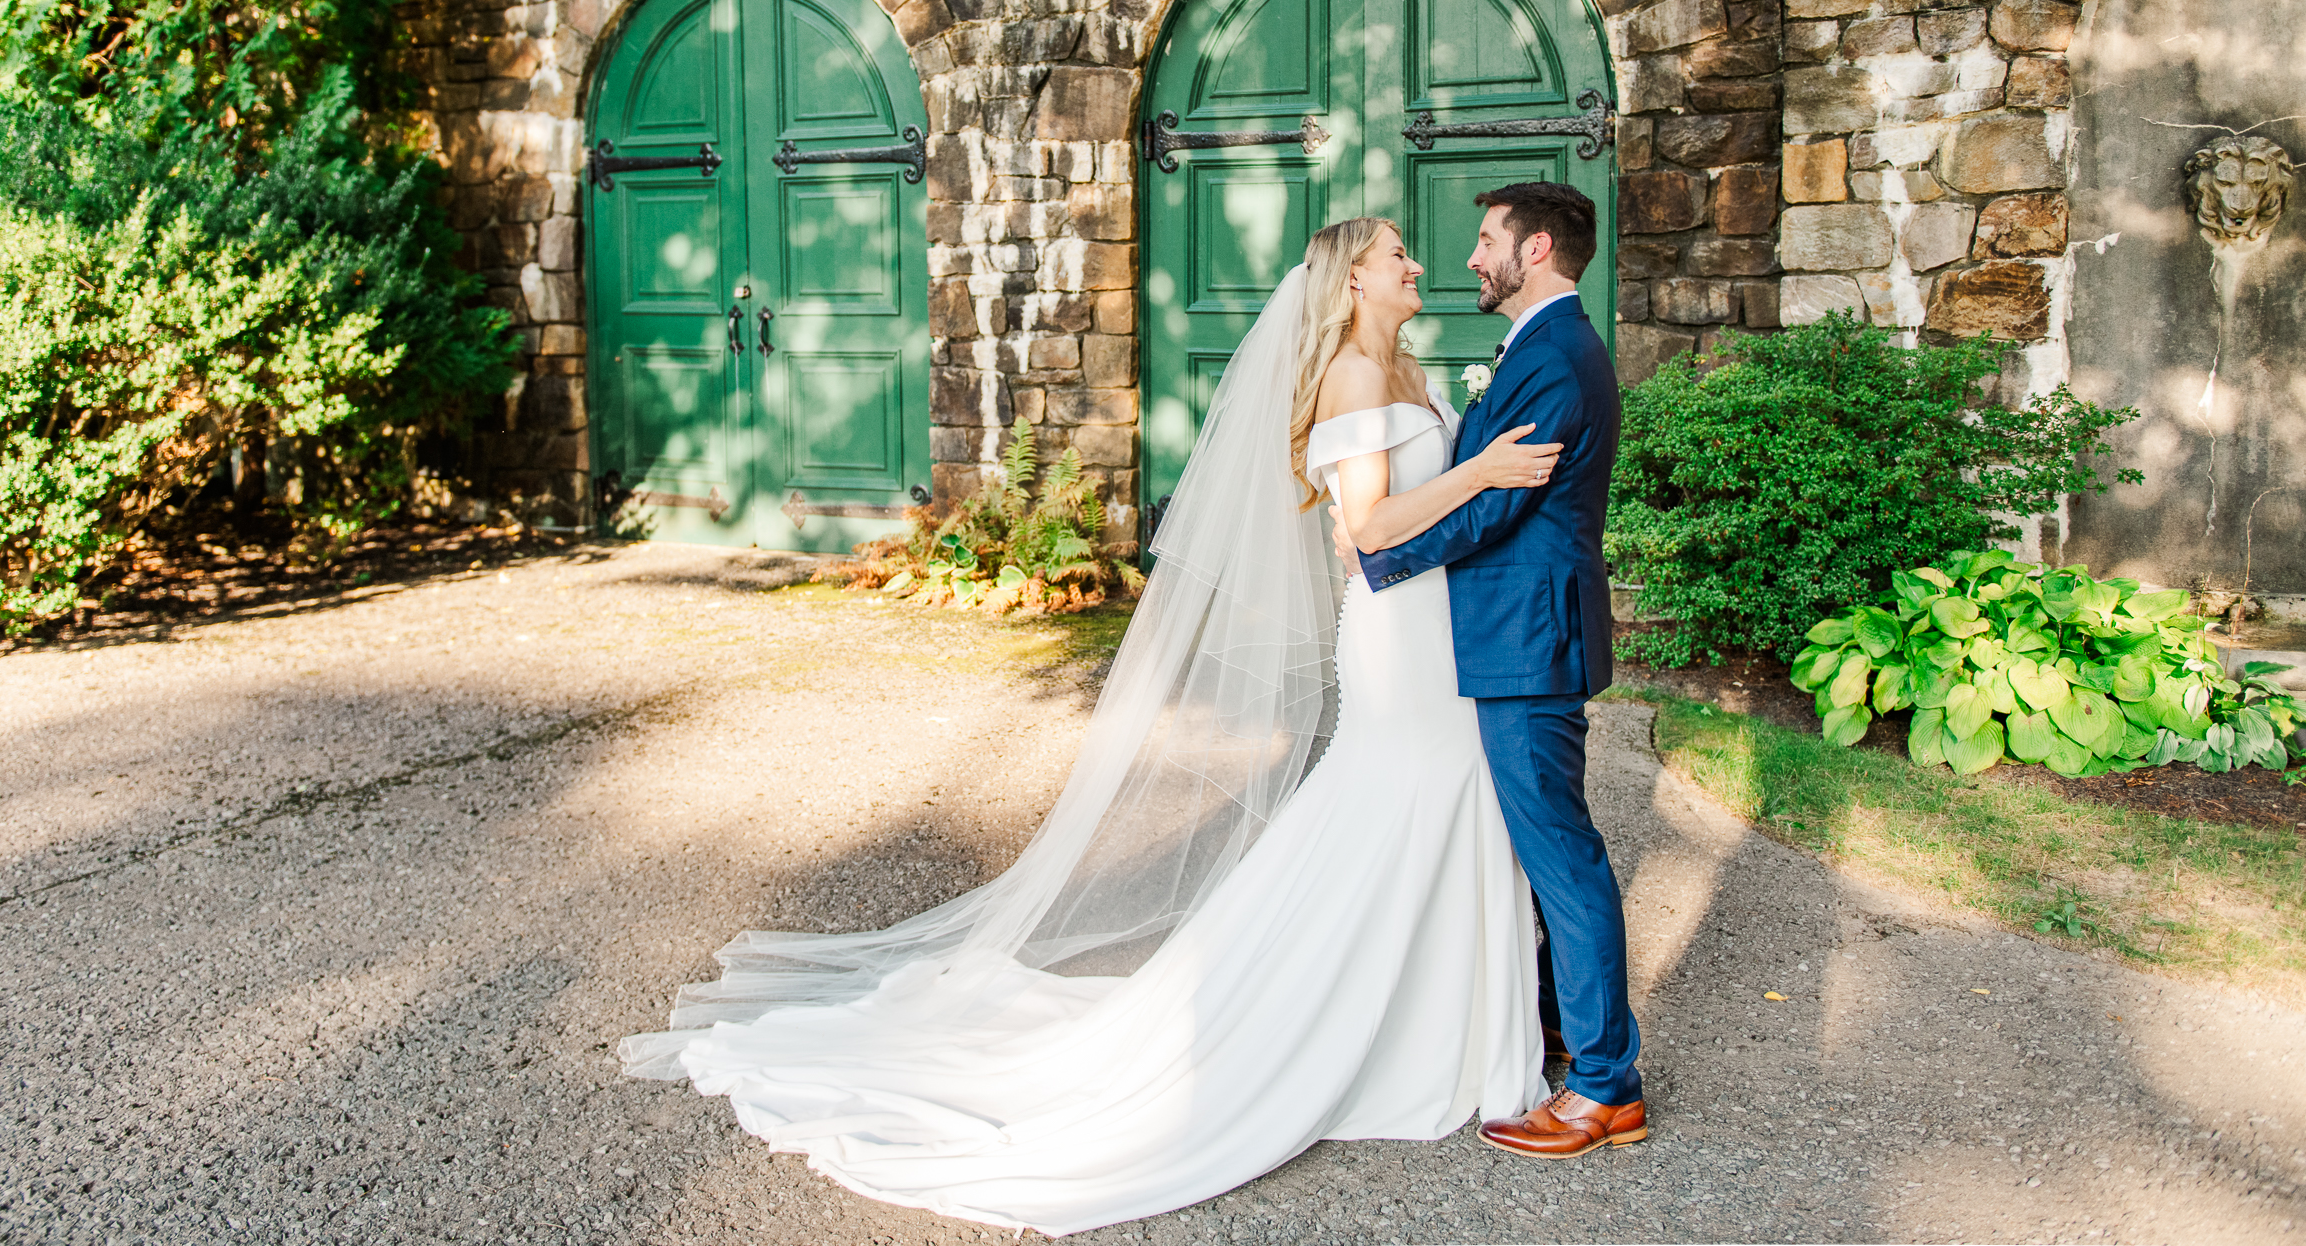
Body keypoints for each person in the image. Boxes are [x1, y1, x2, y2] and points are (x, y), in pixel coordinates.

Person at [619, 216, 1566, 1236]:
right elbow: (1372, 524)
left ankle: (1442, 1029)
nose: (1416, 264)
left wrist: (1462, 479)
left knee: (1439, 805)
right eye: (1395, 255)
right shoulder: (1345, 375)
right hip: (1398, 640)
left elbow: (1382, 517)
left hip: (1439, 627)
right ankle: (1342, 1023)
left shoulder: (1411, 369)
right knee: (1403, 802)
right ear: (1351, 282)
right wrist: (1481, 473)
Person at [1353, 181, 1647, 1159]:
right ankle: (1562, 1034)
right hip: (1512, 632)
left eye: (1488, 241)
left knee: (1560, 854)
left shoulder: (1557, 357)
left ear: (1541, 248)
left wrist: (1384, 560)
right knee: (1537, 851)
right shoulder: (1535, 347)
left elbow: (1499, 508)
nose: (1472, 257)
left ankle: (1604, 1084)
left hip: (1529, 638)